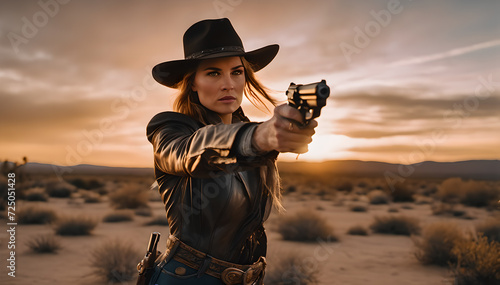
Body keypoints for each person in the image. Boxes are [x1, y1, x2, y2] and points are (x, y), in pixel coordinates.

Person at [146, 18, 317, 285]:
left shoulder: (250, 140)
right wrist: (260, 136)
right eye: (213, 73)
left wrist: (279, 134)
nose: (229, 84)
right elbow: (189, 152)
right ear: (193, 83)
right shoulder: (169, 127)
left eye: (237, 72)